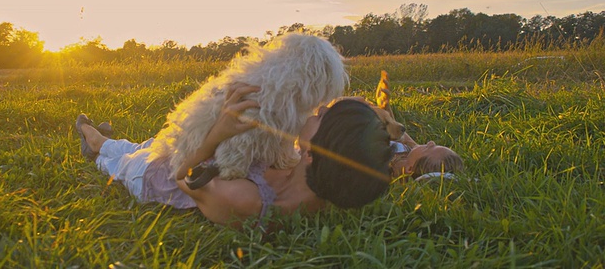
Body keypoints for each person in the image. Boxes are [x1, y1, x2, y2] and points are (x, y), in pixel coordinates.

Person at [76, 86, 395, 228]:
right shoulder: (328, 178)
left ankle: (94, 141)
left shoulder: (243, 199)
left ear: (316, 151)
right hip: (182, 152)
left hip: (155, 177)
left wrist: (218, 132)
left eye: (324, 117)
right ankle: (109, 139)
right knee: (137, 144)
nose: (320, 109)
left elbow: (181, 176)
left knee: (119, 158)